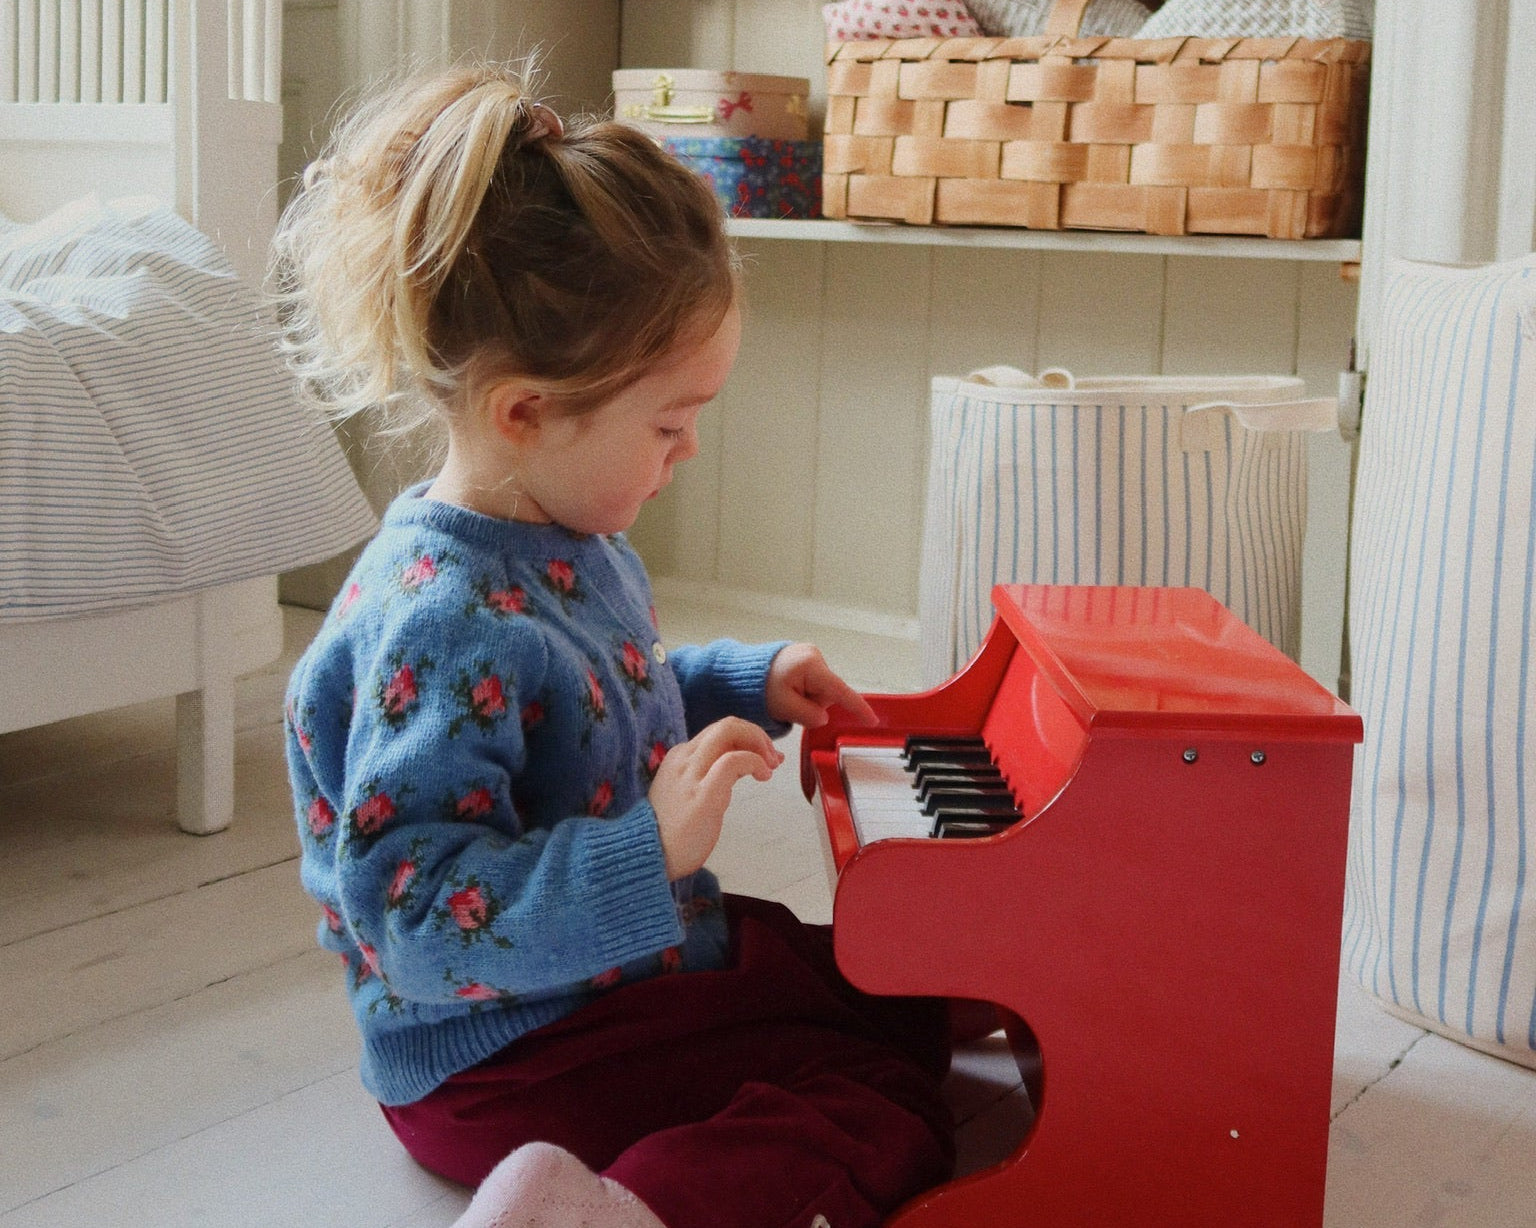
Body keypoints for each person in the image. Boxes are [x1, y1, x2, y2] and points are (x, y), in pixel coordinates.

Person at [273, 62, 956, 1228]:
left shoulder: (560, 534)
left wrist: (738, 682)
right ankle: (607, 1214)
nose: (687, 454)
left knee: (866, 984)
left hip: (590, 983)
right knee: (881, 1094)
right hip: (496, 1057)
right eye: (670, 424)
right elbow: (416, 920)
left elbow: (594, 709)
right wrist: (650, 852)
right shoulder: (439, 624)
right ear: (526, 411)